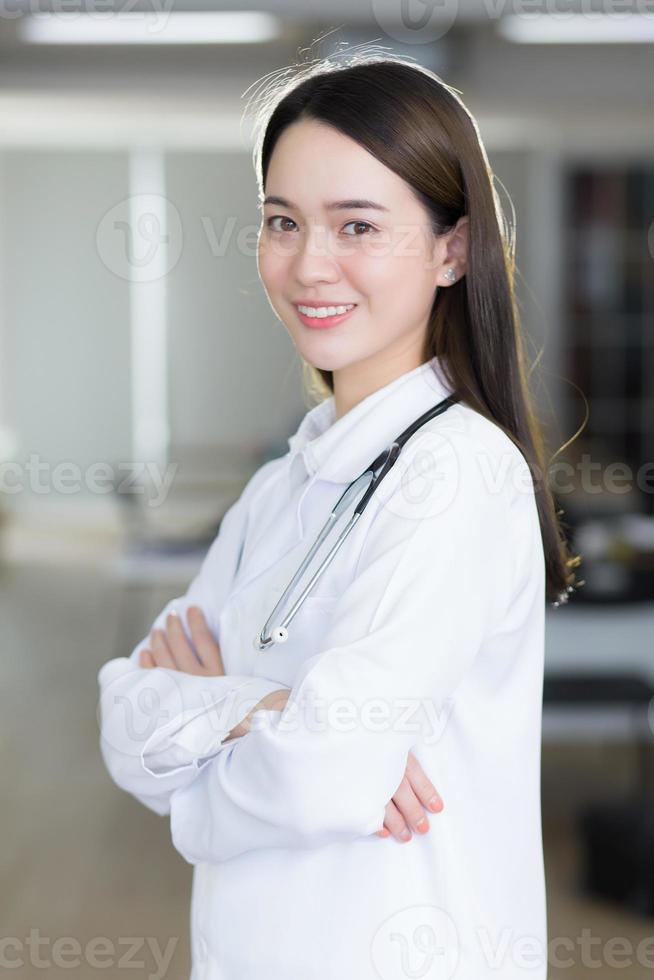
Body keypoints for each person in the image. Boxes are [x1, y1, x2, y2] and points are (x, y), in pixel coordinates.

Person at [98, 51, 580, 980]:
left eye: (357, 225)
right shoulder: (280, 487)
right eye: (283, 222)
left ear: (452, 249)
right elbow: (125, 723)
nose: (309, 264)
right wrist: (263, 707)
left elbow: (328, 768)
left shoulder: (461, 476)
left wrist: (203, 764)